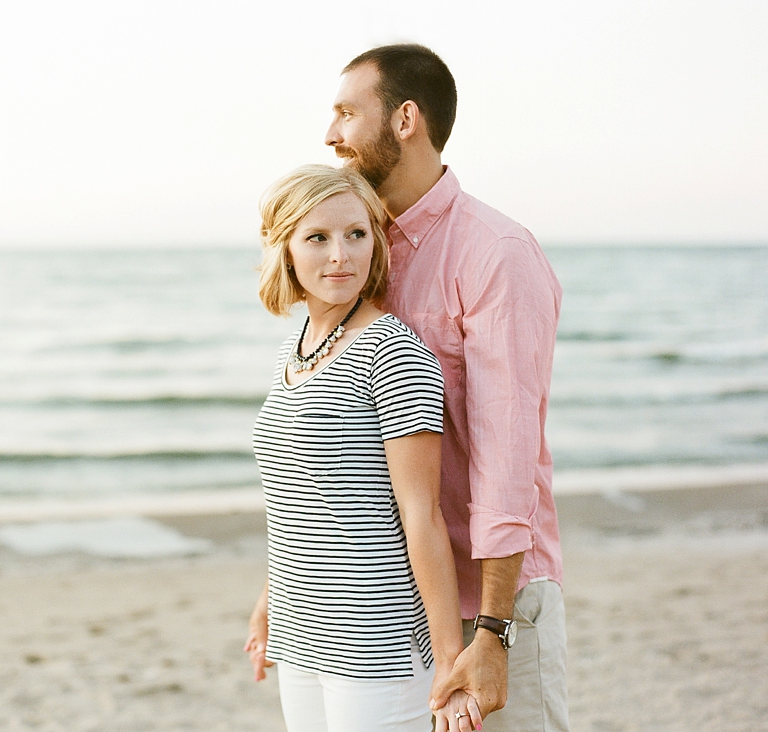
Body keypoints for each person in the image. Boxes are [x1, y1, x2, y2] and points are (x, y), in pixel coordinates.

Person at [317, 43, 569, 732]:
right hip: (392, 604)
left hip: (489, 597)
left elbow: (507, 455)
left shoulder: (495, 254)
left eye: (346, 113)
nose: (330, 135)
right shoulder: (357, 251)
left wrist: (493, 628)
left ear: (405, 118)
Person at [244, 164, 482, 732]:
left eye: (356, 234)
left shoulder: (391, 352)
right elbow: (300, 503)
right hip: (300, 633)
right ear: (286, 250)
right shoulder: (295, 350)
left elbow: (421, 516)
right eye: (318, 238)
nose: (340, 256)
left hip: (376, 644)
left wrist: (450, 659)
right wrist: (268, 604)